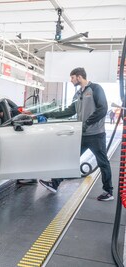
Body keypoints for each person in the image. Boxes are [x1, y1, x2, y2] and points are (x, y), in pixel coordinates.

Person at [39, 67, 113, 201]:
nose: (71, 80)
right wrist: (48, 114)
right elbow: (69, 111)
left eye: (72, 78)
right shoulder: (78, 94)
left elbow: (103, 109)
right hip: (82, 134)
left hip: (96, 134)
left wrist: (87, 123)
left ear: (79, 77)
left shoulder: (96, 89)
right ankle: (54, 184)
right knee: (69, 158)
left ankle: (108, 191)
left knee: (103, 163)